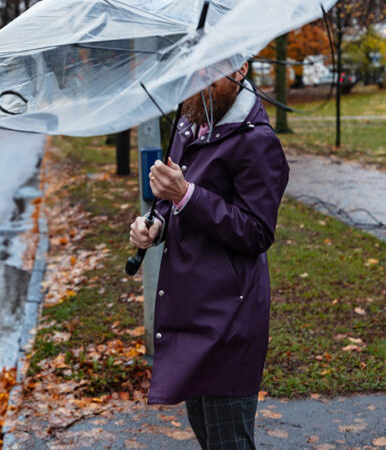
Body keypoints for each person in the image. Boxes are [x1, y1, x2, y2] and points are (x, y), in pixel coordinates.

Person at [128, 61, 289, 450]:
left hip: (229, 319)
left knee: (228, 441)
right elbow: (175, 202)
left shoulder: (257, 141)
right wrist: (157, 225)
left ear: (241, 68)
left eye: (212, 67)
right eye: (194, 66)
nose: (199, 77)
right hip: (191, 312)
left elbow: (256, 231)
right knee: (206, 431)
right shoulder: (190, 119)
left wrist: (186, 196)